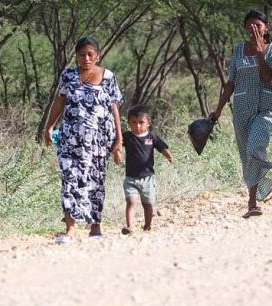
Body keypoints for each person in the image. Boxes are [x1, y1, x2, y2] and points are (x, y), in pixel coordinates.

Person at [42, 36, 124, 243]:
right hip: (71, 138)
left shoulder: (108, 77)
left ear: (97, 55)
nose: (86, 58)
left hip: (98, 139)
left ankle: (95, 226)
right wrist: (49, 127)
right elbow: (59, 102)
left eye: (90, 54)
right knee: (70, 179)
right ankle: (70, 228)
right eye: (81, 55)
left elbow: (114, 108)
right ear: (76, 56)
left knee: (95, 180)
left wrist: (118, 139)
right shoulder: (68, 76)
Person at [209, 10, 272, 218]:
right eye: (249, 26)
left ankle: (269, 175)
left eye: (258, 26)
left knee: (255, 146)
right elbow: (231, 82)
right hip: (242, 109)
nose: (253, 30)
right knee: (247, 155)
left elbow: (268, 76)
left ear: (266, 28)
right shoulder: (239, 50)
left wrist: (260, 50)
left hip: (267, 108)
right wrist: (218, 110)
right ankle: (253, 202)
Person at [121, 104, 173, 235]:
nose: (137, 126)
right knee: (131, 201)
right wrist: (116, 152)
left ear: (148, 123)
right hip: (130, 178)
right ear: (129, 123)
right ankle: (129, 226)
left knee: (147, 204)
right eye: (133, 122)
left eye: (141, 122)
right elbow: (116, 145)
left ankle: (147, 226)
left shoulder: (152, 137)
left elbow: (162, 147)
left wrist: (169, 156)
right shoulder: (127, 136)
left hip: (148, 178)